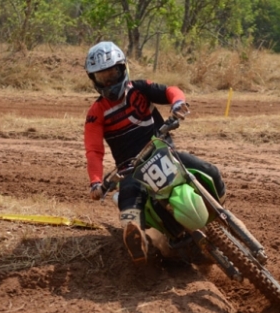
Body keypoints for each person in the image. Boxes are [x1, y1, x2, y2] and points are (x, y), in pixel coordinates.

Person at [84, 41, 226, 263]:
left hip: (164, 151)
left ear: (123, 69)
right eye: (102, 78)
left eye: (112, 73)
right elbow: (93, 150)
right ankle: (137, 237)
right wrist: (95, 182)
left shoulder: (140, 89)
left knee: (210, 171)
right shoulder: (96, 113)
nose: (109, 82)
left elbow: (170, 90)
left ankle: (218, 214)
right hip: (131, 169)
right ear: (94, 80)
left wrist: (178, 103)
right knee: (129, 195)